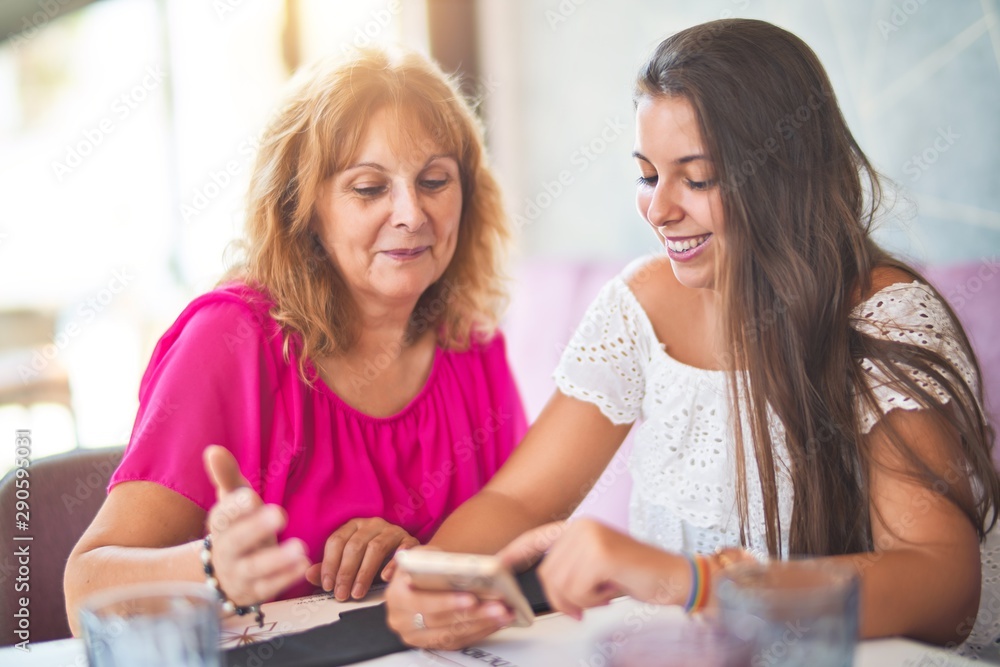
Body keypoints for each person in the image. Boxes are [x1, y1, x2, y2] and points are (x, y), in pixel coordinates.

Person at [385, 18, 1000, 660]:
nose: (659, 210)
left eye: (697, 178)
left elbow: (942, 585)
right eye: (648, 176)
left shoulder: (883, 317)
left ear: (785, 174)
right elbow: (519, 498)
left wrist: (691, 581)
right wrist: (430, 581)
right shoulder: (641, 307)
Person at [63, 46, 527, 634]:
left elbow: (523, 533)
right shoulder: (228, 342)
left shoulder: (471, 342)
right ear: (304, 209)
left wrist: (423, 561)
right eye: (368, 188)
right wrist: (213, 570)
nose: (411, 214)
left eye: (434, 181)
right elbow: (84, 590)